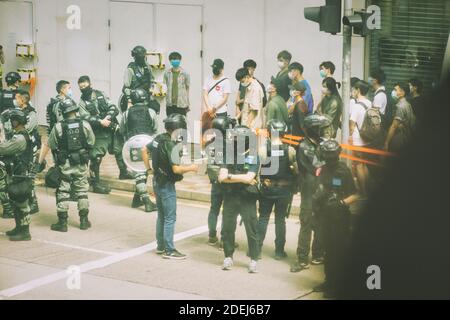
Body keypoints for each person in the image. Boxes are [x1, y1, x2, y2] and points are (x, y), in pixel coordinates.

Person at [143, 113, 198, 259]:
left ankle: (160, 246)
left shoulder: (158, 138)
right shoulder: (171, 145)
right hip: (166, 184)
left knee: (161, 215)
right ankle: (169, 250)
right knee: (169, 218)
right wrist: (191, 167)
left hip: (156, 180)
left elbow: (144, 149)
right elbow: (176, 169)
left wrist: (149, 169)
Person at [312, 140, 359, 298]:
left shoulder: (343, 170)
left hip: (339, 218)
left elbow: (355, 194)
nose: (328, 157)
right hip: (324, 216)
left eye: (330, 154)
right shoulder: (322, 170)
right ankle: (328, 281)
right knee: (328, 251)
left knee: (338, 252)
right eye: (326, 154)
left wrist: (341, 203)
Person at [77, 75, 131, 195]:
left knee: (119, 149)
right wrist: (100, 122)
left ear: (90, 84)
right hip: (98, 132)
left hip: (111, 127)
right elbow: (84, 117)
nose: (84, 88)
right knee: (95, 156)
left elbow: (113, 107)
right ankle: (95, 183)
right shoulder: (81, 102)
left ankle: (124, 172)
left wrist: (107, 118)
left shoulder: (100, 94)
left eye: (85, 86)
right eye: (81, 87)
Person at [218, 125, 261, 273]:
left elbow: (250, 177)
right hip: (230, 197)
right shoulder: (229, 154)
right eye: (235, 138)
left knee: (252, 230)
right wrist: (239, 178)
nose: (236, 141)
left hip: (247, 198)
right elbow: (221, 177)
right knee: (228, 229)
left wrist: (230, 176)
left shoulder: (254, 156)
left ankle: (254, 259)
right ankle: (228, 256)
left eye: (239, 138)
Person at [291, 114, 331, 272]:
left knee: (320, 222)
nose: (324, 131)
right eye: (321, 128)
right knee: (306, 222)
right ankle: (302, 258)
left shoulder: (321, 144)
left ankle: (318, 254)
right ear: (314, 130)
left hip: (321, 190)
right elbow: (318, 166)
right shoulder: (304, 147)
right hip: (309, 189)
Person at [48, 98, 95, 232]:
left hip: (65, 163)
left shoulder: (58, 126)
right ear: (75, 110)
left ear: (63, 112)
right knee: (82, 190)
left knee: (63, 190)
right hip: (81, 161)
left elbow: (52, 144)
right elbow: (91, 142)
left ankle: (62, 223)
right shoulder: (85, 124)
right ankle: (84, 221)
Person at [258, 120, 298, 260]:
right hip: (284, 190)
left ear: (269, 132)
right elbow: (296, 170)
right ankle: (279, 252)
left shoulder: (263, 150)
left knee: (263, 218)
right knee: (280, 220)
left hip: (267, 189)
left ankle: (256, 250)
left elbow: (259, 170)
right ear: (284, 133)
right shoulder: (290, 150)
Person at [120, 88, 157, 212]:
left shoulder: (126, 113)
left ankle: (136, 199)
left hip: (132, 144)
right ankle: (147, 201)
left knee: (139, 171)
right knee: (143, 171)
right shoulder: (151, 111)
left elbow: (122, 130)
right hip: (147, 142)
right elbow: (155, 128)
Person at [2, 109, 34, 241]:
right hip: (18, 172)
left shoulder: (20, 138)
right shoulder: (22, 134)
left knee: (21, 202)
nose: (11, 122)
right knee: (15, 200)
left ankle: (25, 231)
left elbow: (4, 148)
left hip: (21, 174)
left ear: (16, 121)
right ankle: (18, 227)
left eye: (12, 120)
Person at [205, 116, 235, 246]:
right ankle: (224, 240)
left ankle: (212, 236)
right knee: (227, 210)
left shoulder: (210, 142)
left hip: (214, 180)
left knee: (214, 209)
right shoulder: (229, 144)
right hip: (226, 179)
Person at [36, 80, 75, 175]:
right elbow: (61, 121)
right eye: (69, 88)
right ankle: (60, 178)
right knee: (61, 158)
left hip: (54, 133)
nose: (71, 90)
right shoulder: (60, 103)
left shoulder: (52, 102)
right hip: (60, 135)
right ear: (62, 90)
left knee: (58, 157)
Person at [14, 90, 40, 214]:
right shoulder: (18, 112)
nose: (15, 100)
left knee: (29, 175)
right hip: (21, 146)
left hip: (31, 148)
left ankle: (34, 203)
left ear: (23, 100)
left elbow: (28, 128)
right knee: (22, 174)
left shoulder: (31, 113)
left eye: (17, 98)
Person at [349, 80, 373, 197]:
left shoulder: (356, 106)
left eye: (354, 89)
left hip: (358, 140)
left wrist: (349, 136)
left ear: (358, 90)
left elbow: (352, 125)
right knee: (364, 164)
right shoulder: (369, 103)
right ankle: (368, 189)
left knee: (358, 165)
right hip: (368, 138)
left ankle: (363, 191)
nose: (353, 91)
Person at [384, 82, 416, 153]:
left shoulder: (400, 106)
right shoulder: (407, 104)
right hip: (406, 138)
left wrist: (386, 142)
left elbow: (394, 126)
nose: (393, 92)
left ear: (402, 92)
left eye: (395, 90)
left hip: (399, 139)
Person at [122, 45, 154, 111]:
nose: (145, 58)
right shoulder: (130, 69)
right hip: (134, 100)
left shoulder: (147, 67)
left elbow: (152, 81)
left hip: (146, 99)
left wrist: (151, 92)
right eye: (143, 56)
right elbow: (126, 87)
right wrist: (129, 101)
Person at [164, 52, 190, 117]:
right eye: (173, 59)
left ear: (180, 60)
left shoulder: (185, 73)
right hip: (170, 104)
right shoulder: (167, 73)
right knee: (170, 123)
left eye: (177, 59)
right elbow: (165, 85)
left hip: (181, 104)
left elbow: (187, 88)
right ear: (170, 61)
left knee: (181, 123)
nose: (175, 61)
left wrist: (187, 102)